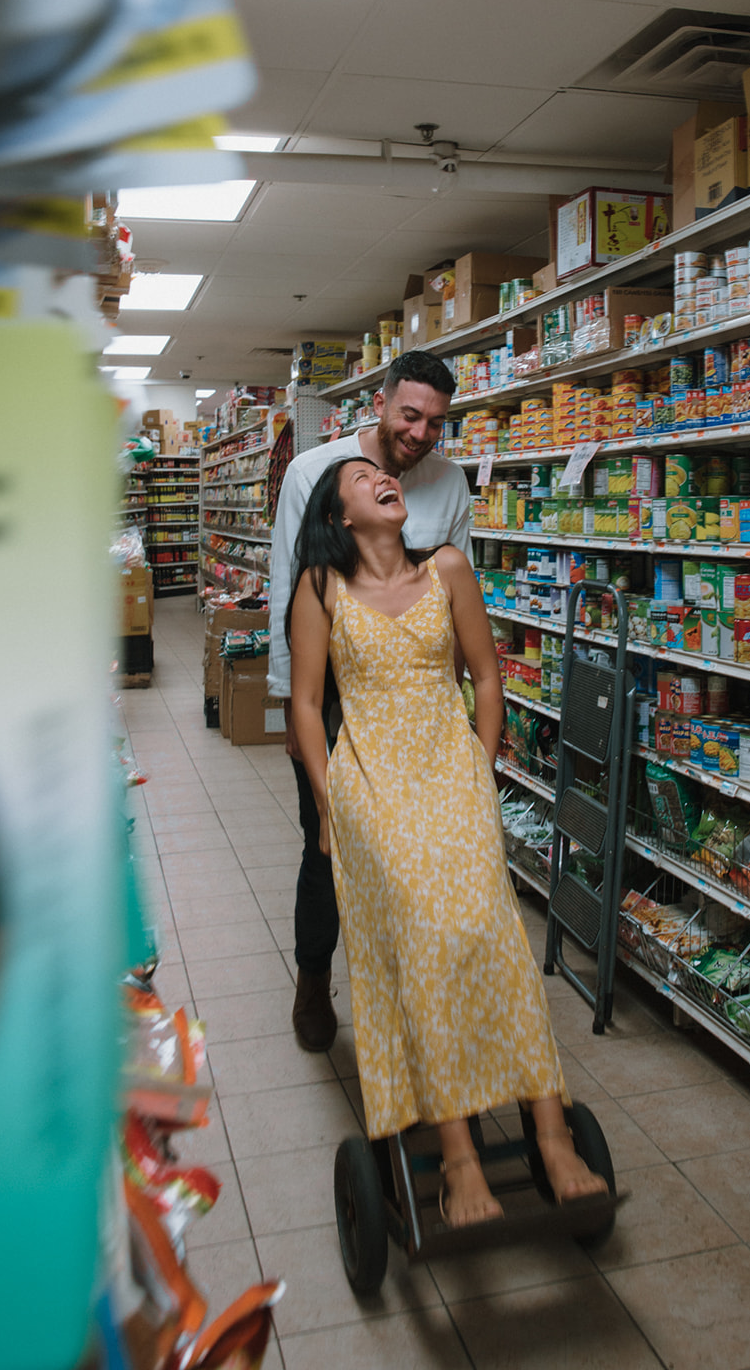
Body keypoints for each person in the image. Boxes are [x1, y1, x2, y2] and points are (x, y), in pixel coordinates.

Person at [288, 457, 607, 1227]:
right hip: (371, 787)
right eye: (361, 480)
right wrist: (331, 805)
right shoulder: (321, 588)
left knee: (493, 932)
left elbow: (488, 679)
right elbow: (303, 704)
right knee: (425, 941)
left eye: (380, 474)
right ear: (339, 519)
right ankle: (459, 1160)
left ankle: (554, 1134)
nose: (381, 479)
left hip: (451, 774)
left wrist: (480, 761)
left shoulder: (450, 570)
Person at [267, 351, 472, 1052]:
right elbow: (286, 586)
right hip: (329, 693)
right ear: (381, 404)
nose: (419, 434)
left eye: (435, 424)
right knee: (328, 842)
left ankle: (416, 982)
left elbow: (451, 602)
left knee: (420, 848)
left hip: (415, 701)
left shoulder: (449, 486)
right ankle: (313, 977)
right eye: (409, 416)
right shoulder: (313, 472)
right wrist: (288, 702)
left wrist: (453, 712)